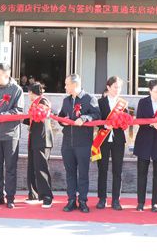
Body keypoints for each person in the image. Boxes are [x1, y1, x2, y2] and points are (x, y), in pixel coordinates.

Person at [58, 74, 100, 213]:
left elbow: (97, 115)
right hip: (67, 143)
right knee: (70, 173)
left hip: (83, 143)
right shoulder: (66, 100)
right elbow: (61, 116)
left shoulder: (89, 98)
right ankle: (71, 200)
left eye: (67, 84)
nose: (65, 87)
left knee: (83, 173)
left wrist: (84, 118)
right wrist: (62, 121)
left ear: (75, 85)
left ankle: (82, 201)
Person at [0, 63, 24, 209]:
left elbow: (19, 111)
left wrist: (1, 115)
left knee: (10, 168)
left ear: (7, 75)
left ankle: (10, 198)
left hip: (10, 134)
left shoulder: (16, 90)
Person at [133, 79, 157, 212]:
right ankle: (140, 202)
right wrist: (151, 123)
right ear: (150, 91)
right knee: (141, 173)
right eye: (156, 91)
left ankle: (155, 203)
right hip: (144, 141)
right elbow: (139, 120)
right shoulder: (143, 102)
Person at [96, 76, 126, 211]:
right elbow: (96, 119)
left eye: (119, 87)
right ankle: (102, 199)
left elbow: (127, 121)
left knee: (117, 170)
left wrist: (123, 123)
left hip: (118, 140)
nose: (117, 90)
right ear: (108, 87)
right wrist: (104, 125)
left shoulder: (122, 104)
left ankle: (116, 200)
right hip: (103, 139)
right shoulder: (100, 102)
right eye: (115, 87)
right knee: (102, 169)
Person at [23, 82, 54, 208]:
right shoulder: (35, 103)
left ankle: (47, 197)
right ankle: (34, 194)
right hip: (34, 139)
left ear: (31, 92)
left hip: (42, 140)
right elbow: (31, 120)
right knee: (32, 167)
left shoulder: (43, 101)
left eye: (29, 92)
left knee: (41, 169)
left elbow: (41, 116)